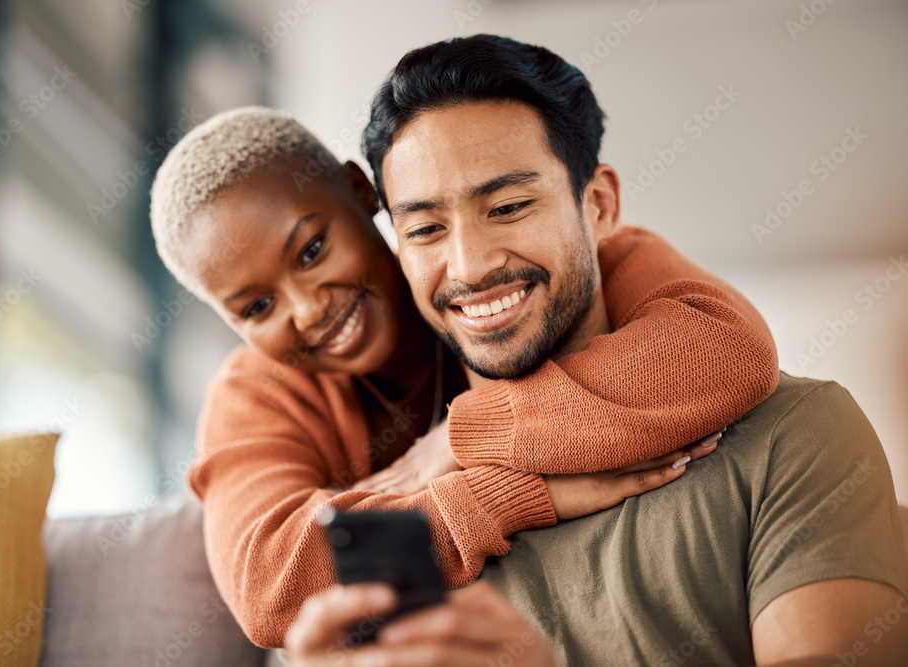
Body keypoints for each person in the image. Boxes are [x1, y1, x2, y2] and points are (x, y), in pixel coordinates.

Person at [282, 34, 908, 665]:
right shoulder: (398, 525)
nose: (469, 265)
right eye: (425, 229)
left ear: (599, 205)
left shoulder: (794, 435)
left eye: (508, 207)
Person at [149, 105, 778, 649]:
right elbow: (270, 587)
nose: (308, 309)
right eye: (257, 308)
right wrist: (519, 496)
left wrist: (458, 438)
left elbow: (723, 352)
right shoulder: (253, 393)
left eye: (312, 250)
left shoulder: (524, 271)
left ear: (361, 191)